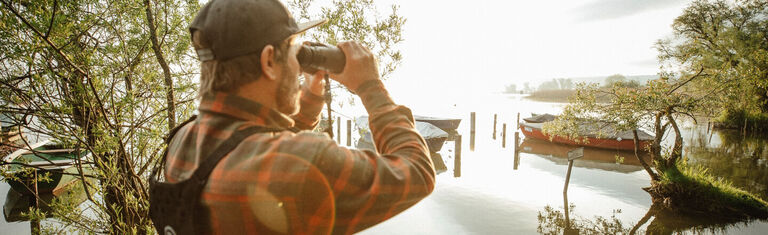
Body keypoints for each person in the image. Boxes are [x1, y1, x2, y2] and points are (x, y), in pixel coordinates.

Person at [154, 0, 435, 234]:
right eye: (294, 53)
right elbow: (417, 171)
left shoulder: (182, 139)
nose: (298, 67)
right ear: (268, 61)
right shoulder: (299, 163)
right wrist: (370, 86)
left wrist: (309, 101)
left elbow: (250, 148)